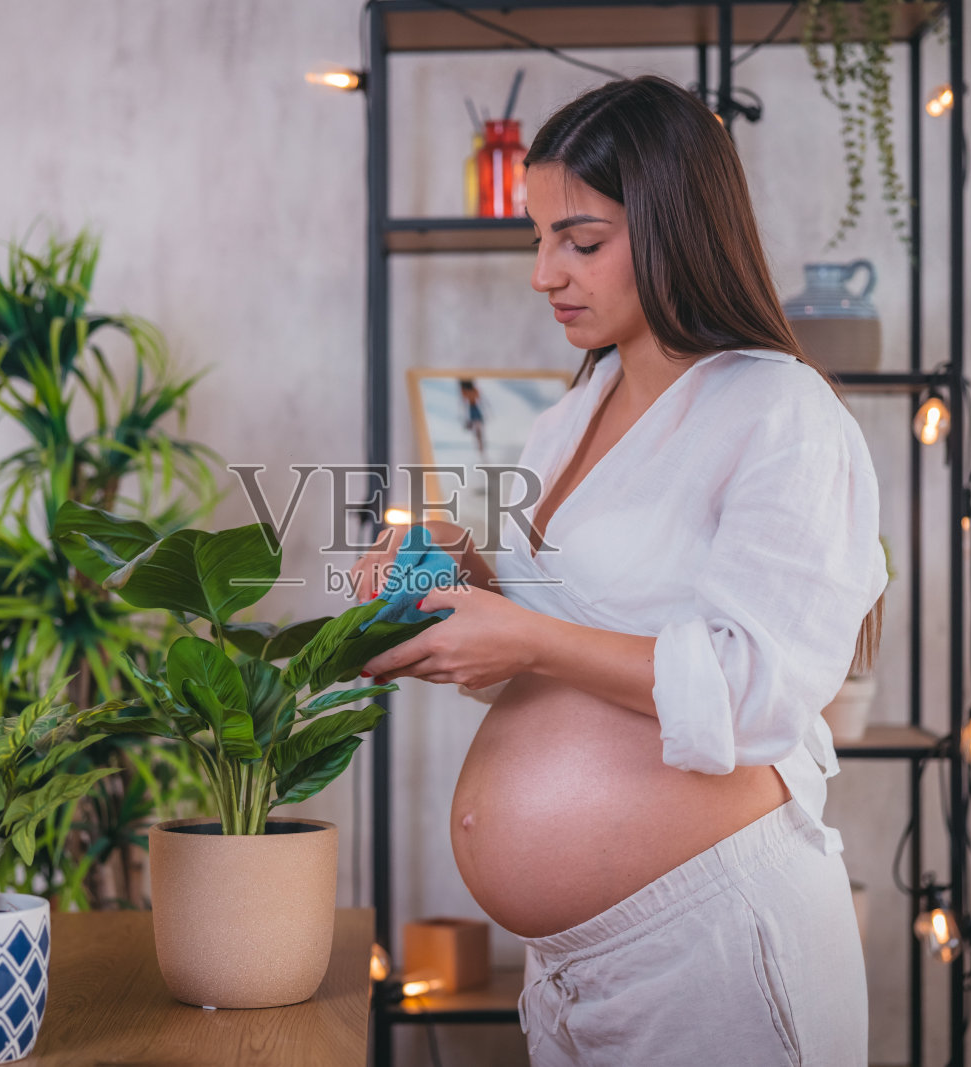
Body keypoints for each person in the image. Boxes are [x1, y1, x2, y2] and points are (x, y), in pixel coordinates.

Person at [353, 75, 887, 1066]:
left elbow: (753, 691)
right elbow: (571, 651)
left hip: (712, 945)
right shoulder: (568, 416)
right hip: (566, 967)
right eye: (537, 239)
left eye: (581, 241)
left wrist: (523, 633)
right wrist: (464, 582)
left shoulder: (781, 412)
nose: (543, 273)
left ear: (677, 227)